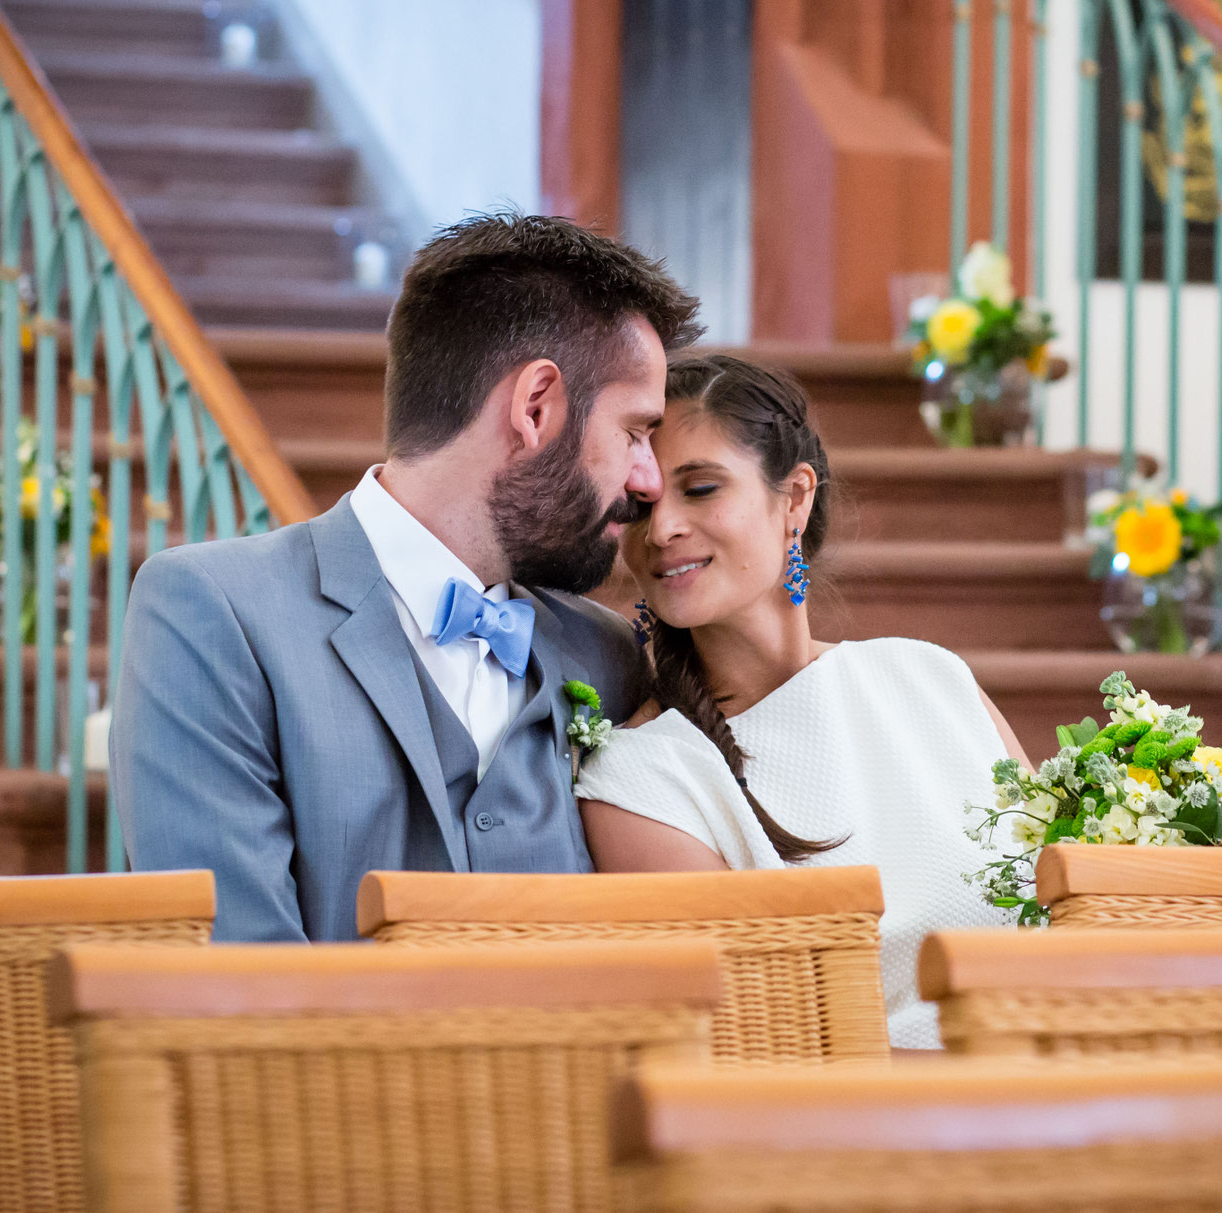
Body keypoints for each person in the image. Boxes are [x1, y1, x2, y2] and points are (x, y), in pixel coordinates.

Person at [112, 213, 703, 941]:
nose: (649, 481)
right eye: (635, 432)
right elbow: (236, 980)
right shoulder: (215, 613)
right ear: (536, 407)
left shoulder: (605, 654)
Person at [572, 353, 1029, 1048]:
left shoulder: (932, 679)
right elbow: (768, 1044)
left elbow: (1072, 911)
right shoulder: (640, 779)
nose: (661, 530)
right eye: (641, 505)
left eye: (700, 489)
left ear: (795, 498)